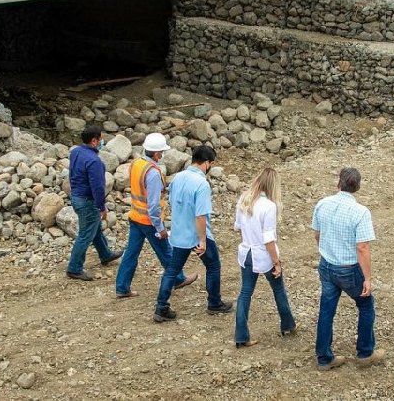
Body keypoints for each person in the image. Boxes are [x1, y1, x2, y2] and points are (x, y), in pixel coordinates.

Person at [311, 167, 385, 371]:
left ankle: (324, 358)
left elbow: (317, 234)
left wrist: (326, 250)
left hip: (326, 265)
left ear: (339, 184)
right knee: (366, 304)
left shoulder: (323, 203)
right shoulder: (360, 212)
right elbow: (362, 247)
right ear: (358, 187)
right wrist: (367, 278)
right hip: (349, 268)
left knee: (326, 310)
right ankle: (365, 353)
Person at [114, 133, 198, 299]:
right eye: (162, 151)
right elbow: (153, 206)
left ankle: (122, 287)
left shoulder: (136, 163)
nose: (163, 154)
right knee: (165, 251)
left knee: (131, 253)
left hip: (135, 216)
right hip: (148, 221)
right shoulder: (153, 173)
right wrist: (160, 228)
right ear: (157, 153)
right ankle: (179, 278)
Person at [153, 145, 232, 322]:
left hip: (179, 233)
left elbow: (172, 202)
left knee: (172, 270)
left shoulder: (177, 178)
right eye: (211, 163)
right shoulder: (201, 184)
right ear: (206, 163)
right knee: (213, 267)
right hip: (196, 234)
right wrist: (202, 240)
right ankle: (214, 303)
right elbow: (200, 215)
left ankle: (161, 306)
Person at [233, 167, 295, 347]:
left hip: (246, 252)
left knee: (245, 293)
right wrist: (277, 262)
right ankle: (287, 325)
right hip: (263, 255)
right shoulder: (269, 206)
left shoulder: (244, 199)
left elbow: (238, 227)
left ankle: (241, 336)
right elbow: (269, 239)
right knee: (278, 290)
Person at [65, 125, 121, 281]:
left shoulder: (75, 152)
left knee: (94, 228)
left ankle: (106, 254)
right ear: (95, 140)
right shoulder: (94, 161)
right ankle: (74, 268)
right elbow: (97, 187)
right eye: (101, 138)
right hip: (87, 200)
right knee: (85, 234)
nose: (102, 141)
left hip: (76, 195)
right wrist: (102, 207)